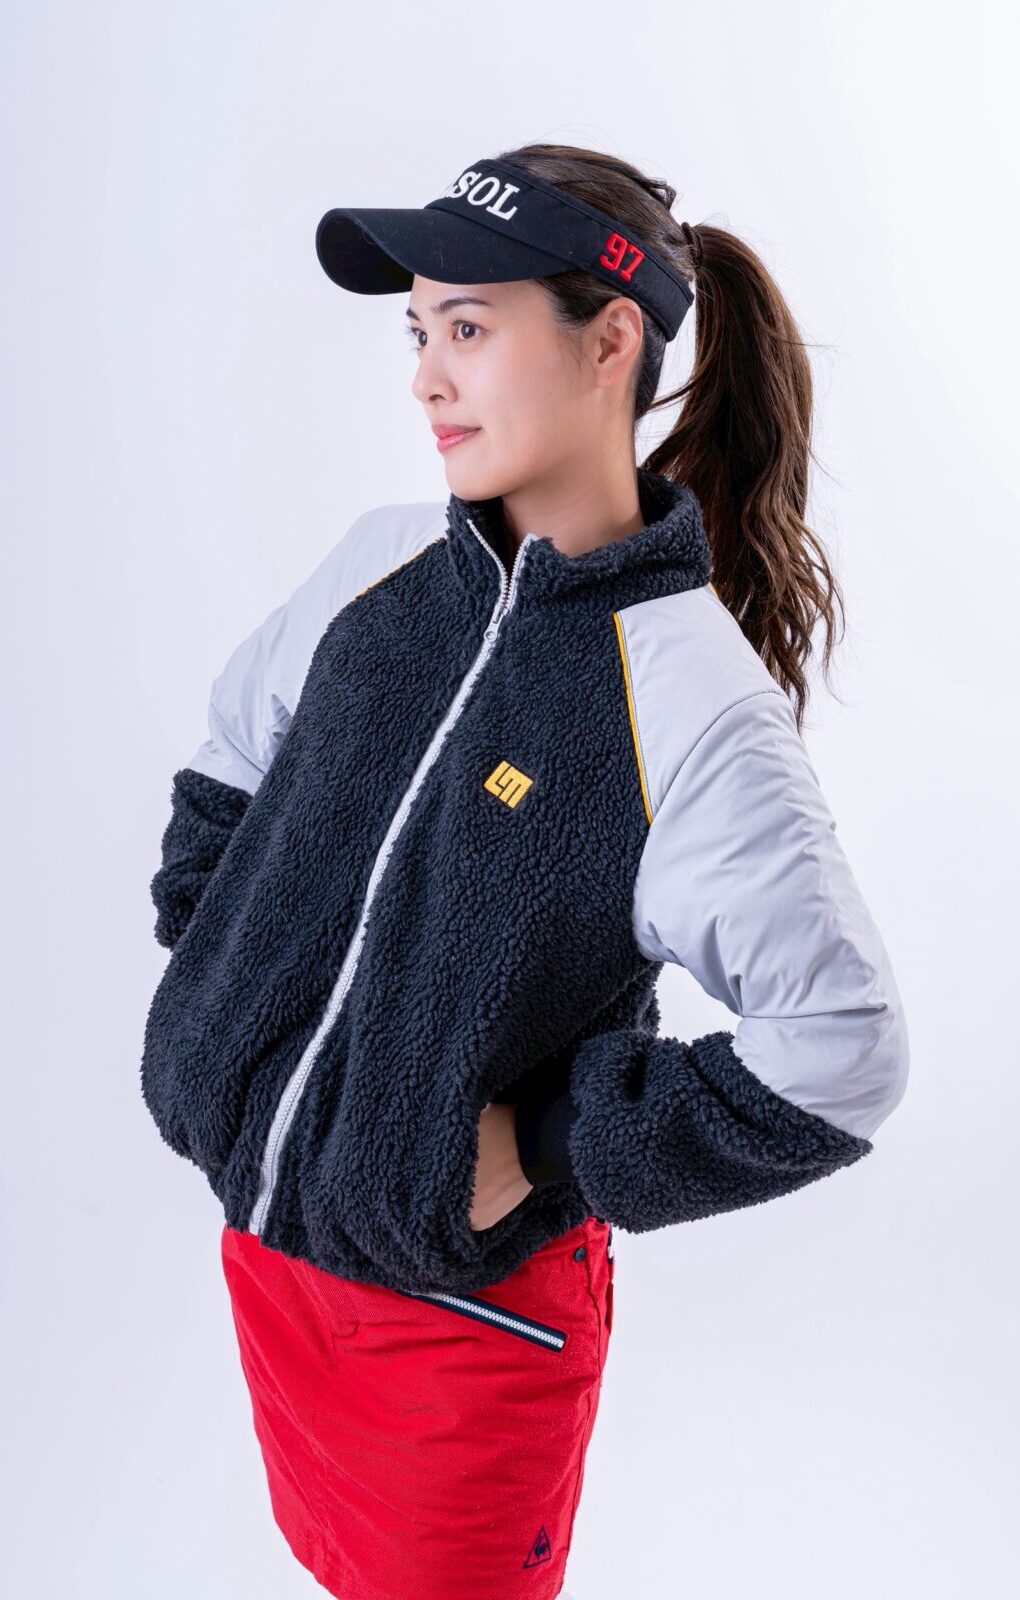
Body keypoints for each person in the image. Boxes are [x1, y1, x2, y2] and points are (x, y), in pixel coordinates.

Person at [143, 142, 910, 1600]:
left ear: (612, 339)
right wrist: (227, 997)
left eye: (470, 328)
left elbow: (843, 1050)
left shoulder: (687, 696)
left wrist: (552, 1140)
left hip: (460, 1324)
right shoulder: (377, 568)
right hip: (271, 1265)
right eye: (417, 332)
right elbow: (233, 761)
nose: (427, 378)